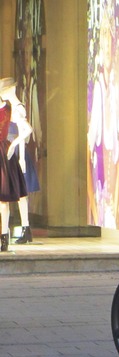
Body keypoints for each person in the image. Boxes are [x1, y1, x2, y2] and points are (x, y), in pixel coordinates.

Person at [0, 77, 38, 244]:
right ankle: (25, 228)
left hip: (16, 154)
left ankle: (25, 228)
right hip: (11, 154)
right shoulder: (10, 109)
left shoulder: (16, 109)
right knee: (20, 194)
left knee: (21, 193)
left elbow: (25, 131)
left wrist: (19, 153)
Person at [0, 92, 29, 252]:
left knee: (3, 199)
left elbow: (27, 129)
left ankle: (4, 237)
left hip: (4, 154)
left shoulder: (10, 110)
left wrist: (14, 144)